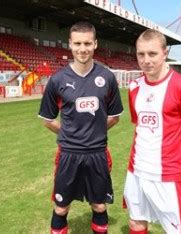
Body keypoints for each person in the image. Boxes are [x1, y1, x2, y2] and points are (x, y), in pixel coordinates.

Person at [38, 21, 123, 234]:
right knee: (61, 207)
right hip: (68, 154)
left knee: (99, 205)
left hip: (97, 154)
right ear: (70, 44)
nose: (82, 48)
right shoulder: (57, 80)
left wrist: (94, 133)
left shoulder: (107, 77)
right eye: (77, 43)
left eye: (87, 43)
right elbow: (47, 119)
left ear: (95, 44)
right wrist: (69, 134)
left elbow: (114, 117)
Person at [123, 29, 181, 234]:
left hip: (167, 176)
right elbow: (140, 126)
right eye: (141, 54)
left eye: (152, 54)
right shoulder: (134, 86)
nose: (146, 60)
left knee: (175, 231)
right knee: (136, 223)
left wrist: (180, 161)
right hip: (136, 171)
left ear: (165, 53)